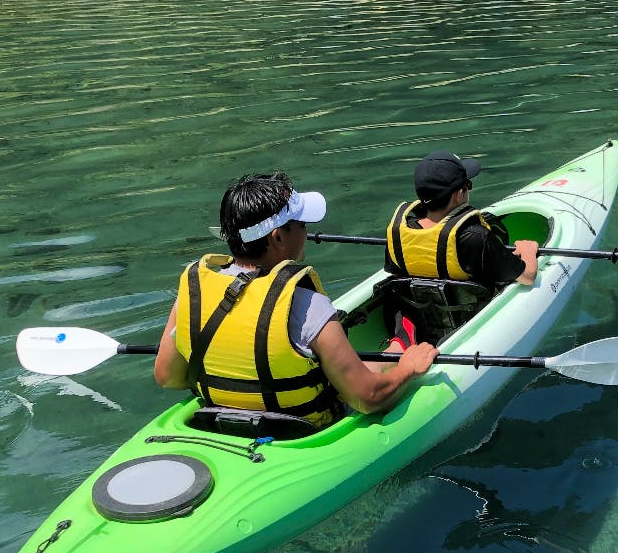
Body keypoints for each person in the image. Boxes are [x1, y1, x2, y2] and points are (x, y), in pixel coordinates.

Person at [154, 172, 436, 428]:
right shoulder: (306, 304)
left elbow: (168, 376)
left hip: (221, 421)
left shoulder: (193, 294)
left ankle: (398, 347)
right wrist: (409, 369)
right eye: (300, 224)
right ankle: (400, 349)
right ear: (277, 238)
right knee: (385, 366)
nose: (306, 231)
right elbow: (369, 398)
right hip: (304, 429)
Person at [380, 151, 539, 347]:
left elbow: (396, 276)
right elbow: (528, 276)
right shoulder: (474, 236)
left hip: (425, 324)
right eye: (467, 185)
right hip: (470, 329)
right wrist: (529, 250)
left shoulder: (399, 234)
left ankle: (401, 343)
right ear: (458, 195)